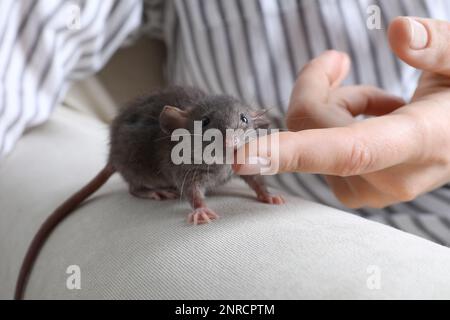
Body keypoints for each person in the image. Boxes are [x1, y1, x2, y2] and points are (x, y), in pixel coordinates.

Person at [1, 0, 449, 245]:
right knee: (141, 158)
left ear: (249, 118)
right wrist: (196, 204)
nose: (236, 139)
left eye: (241, 126)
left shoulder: (248, 129)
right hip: (319, 226)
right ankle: (137, 183)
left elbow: (246, 167)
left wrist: (262, 190)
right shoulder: (190, 150)